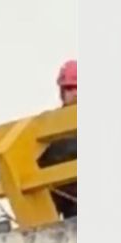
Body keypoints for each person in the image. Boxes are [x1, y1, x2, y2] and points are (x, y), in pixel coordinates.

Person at [39, 59, 77, 218]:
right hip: (68, 206)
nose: (75, 93)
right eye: (69, 88)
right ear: (62, 92)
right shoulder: (48, 127)